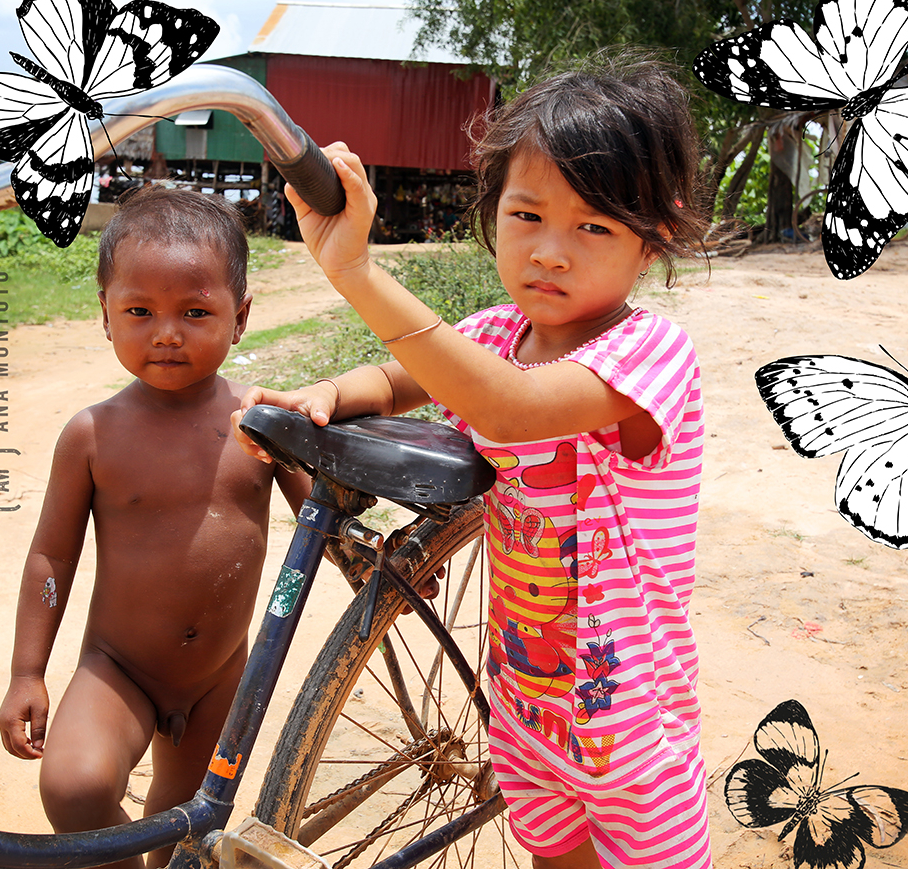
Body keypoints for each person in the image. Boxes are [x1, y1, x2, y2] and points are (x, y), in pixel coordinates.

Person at [233, 56, 713, 869]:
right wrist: (326, 393)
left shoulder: (651, 353)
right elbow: (397, 377)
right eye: (527, 216)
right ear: (493, 212)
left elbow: (509, 408)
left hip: (633, 727)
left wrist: (357, 272)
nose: (551, 252)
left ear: (654, 234)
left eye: (593, 226)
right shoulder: (495, 333)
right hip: (523, 706)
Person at [0, 186, 311, 869]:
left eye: (195, 311)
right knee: (74, 789)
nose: (166, 332)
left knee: (183, 832)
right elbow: (51, 561)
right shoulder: (93, 434)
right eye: (140, 311)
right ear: (106, 317)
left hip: (221, 674)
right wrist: (28, 672)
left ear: (241, 318)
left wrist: (373, 562)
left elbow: (324, 517)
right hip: (119, 670)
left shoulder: (260, 424)